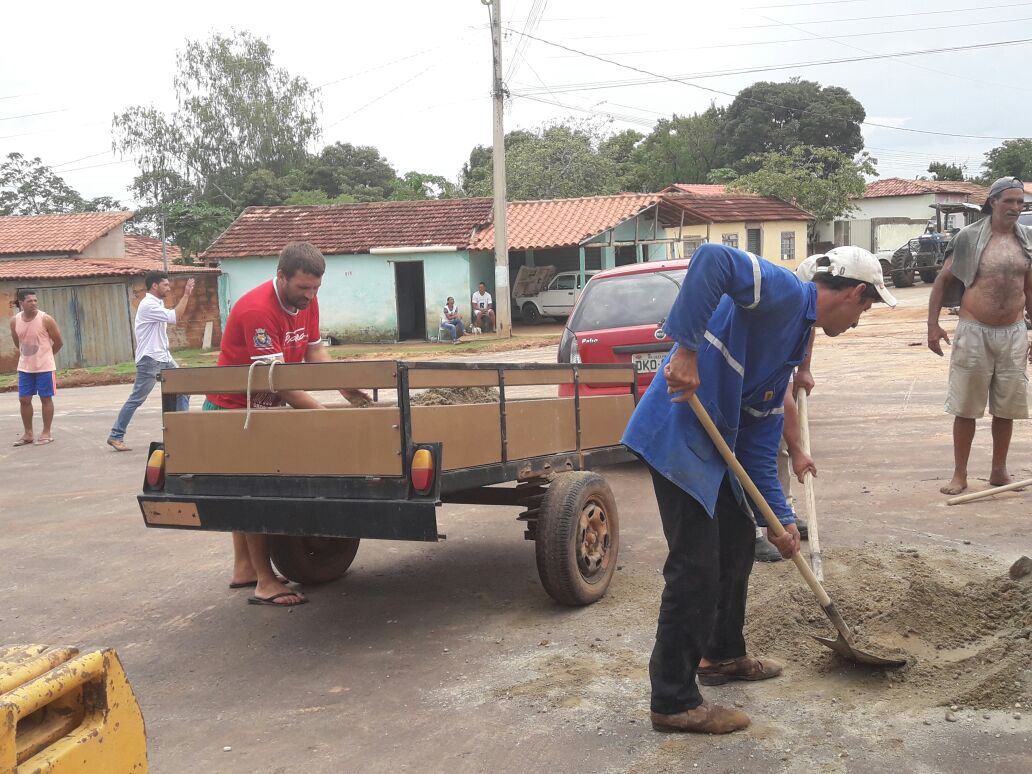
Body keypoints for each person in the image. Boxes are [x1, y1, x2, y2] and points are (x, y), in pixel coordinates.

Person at [622, 243, 895, 734]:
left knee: (736, 548)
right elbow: (712, 259)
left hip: (715, 448)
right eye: (868, 307)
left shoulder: (791, 344)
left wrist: (780, 517)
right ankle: (673, 699)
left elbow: (759, 444)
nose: (860, 321)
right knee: (695, 568)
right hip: (676, 437)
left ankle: (722, 654)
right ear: (855, 293)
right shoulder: (785, 293)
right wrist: (685, 349)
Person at [206, 241, 370, 607]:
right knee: (259, 495)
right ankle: (265, 581)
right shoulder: (256, 310)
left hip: (266, 409)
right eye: (302, 288)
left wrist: (343, 383)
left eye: (315, 288)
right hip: (236, 411)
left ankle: (245, 568)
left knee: (246, 492)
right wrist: (327, 420)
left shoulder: (305, 303)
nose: (310, 296)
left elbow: (313, 351)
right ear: (281, 276)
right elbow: (281, 383)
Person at [927, 176, 1032, 495]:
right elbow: (942, 282)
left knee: (1007, 406)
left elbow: (1029, 288)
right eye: (1009, 201)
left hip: (1013, 332)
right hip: (974, 332)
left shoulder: (1026, 239)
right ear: (993, 202)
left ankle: (999, 471)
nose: (1015, 207)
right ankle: (960, 475)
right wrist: (932, 326)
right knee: (966, 406)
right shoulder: (969, 238)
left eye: (1019, 202)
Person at [106, 273, 195, 451]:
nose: (168, 288)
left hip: (164, 357)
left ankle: (180, 432)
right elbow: (175, 317)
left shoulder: (157, 303)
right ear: (154, 286)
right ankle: (116, 435)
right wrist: (186, 294)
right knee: (137, 399)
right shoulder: (148, 305)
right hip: (151, 360)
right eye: (165, 285)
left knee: (184, 389)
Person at [10, 289, 63, 446]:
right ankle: (28, 434)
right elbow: (17, 341)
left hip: (45, 367)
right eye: (29, 301)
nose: (34, 303)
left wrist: (47, 356)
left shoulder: (45, 319)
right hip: (25, 368)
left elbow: (59, 342)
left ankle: (46, 432)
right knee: (24, 399)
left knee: (46, 398)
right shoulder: (15, 321)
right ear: (21, 303)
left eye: (35, 300)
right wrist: (26, 356)